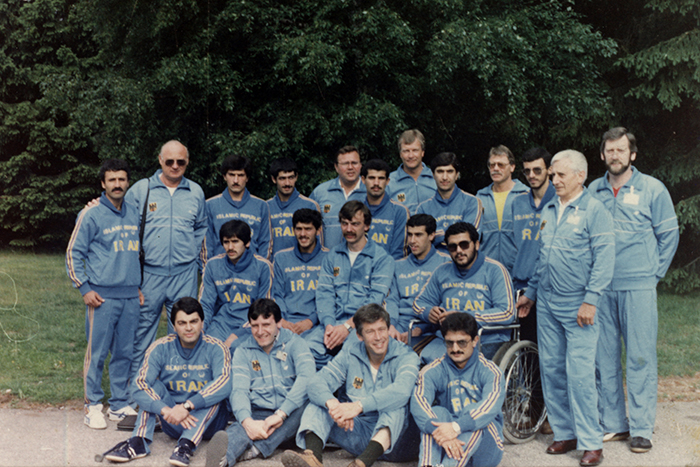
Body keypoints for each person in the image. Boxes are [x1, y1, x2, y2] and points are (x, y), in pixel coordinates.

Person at [516, 150, 614, 467]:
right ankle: (565, 432)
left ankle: (590, 442)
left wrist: (591, 299)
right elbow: (542, 259)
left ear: (580, 177)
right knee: (553, 369)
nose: (553, 180)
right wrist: (530, 293)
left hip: (579, 304)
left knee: (581, 374)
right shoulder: (549, 210)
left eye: (560, 175)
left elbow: (604, 258)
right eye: (553, 174)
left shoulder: (594, 210)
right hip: (547, 302)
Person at [589, 127, 679, 454]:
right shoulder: (592, 190)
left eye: (621, 150)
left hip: (638, 285)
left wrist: (652, 273)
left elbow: (669, 235)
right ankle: (614, 423)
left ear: (633, 154)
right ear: (602, 155)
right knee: (604, 358)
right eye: (609, 151)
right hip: (601, 288)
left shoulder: (652, 188)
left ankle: (641, 428)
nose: (615, 156)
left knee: (640, 356)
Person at [281, 304, 420, 467]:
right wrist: (334, 405)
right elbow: (316, 382)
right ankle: (313, 458)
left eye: (382, 329)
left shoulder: (406, 355)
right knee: (319, 401)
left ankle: (362, 464)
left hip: (398, 443)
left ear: (389, 329)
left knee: (395, 404)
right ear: (360, 335)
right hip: (359, 434)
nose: (378, 337)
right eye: (370, 331)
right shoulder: (351, 352)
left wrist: (357, 407)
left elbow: (402, 391)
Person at [103, 297, 231, 466]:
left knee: (214, 393)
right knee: (151, 387)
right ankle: (139, 441)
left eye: (194, 321)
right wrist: (165, 410)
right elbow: (138, 385)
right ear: (174, 326)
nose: (189, 328)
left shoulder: (216, 347)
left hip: (210, 424)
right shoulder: (160, 347)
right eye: (182, 323)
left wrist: (187, 406)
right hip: (172, 419)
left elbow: (225, 382)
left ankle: (186, 446)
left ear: (202, 322)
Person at [66, 159, 142, 428]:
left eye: (122, 179)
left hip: (130, 296)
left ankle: (120, 404)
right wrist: (84, 288)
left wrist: (137, 287)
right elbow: (74, 252)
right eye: (112, 180)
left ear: (127, 182)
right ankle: (92, 405)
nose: (117, 184)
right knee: (96, 353)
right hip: (102, 297)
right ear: (103, 184)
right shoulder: (91, 213)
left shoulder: (134, 211)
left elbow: (134, 253)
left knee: (124, 352)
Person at [124, 140, 207, 383]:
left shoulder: (196, 192)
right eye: (169, 161)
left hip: (184, 274)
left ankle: (177, 387)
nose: (174, 166)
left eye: (180, 162)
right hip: (149, 274)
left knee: (185, 333)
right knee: (142, 334)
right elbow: (123, 221)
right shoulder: (142, 189)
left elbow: (201, 227)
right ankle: (137, 388)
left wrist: (191, 254)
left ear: (187, 162)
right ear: (160, 160)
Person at [205, 299, 316, 467]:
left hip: (289, 416)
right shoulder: (243, 350)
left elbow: (307, 379)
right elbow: (239, 390)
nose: (260, 331)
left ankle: (256, 448)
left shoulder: (296, 343)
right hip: (259, 413)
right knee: (238, 429)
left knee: (307, 402)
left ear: (279, 323)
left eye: (266, 324)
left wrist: (280, 414)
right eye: (255, 325)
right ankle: (222, 461)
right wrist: (247, 422)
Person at [411, 313, 505, 467]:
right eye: (450, 343)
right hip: (446, 444)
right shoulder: (434, 369)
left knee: (472, 413)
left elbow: (489, 407)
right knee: (436, 413)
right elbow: (418, 401)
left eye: (462, 343)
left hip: (484, 448)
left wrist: (457, 427)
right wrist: (441, 432)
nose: (455, 349)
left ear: (475, 341)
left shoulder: (491, 372)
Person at [413, 222, 515, 364]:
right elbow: (419, 303)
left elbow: (507, 313)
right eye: (453, 247)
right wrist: (428, 312)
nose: (459, 250)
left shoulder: (495, 270)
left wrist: (465, 318)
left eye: (464, 244)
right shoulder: (442, 271)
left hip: (485, 341)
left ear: (476, 245)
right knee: (411, 358)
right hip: (447, 342)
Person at [313, 201, 395, 359]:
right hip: (333, 323)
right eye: (344, 223)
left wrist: (347, 326)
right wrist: (329, 325)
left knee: (350, 356)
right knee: (307, 349)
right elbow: (324, 294)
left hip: (363, 325)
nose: (349, 229)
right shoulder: (332, 256)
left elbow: (374, 301)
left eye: (355, 224)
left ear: (367, 226)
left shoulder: (382, 258)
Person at [199, 220, 273, 352]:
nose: (230, 247)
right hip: (220, 324)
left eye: (235, 241)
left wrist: (237, 335)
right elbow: (206, 304)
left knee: (236, 350)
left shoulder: (263, 266)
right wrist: (201, 329)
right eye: (226, 242)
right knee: (207, 350)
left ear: (247, 242)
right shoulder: (212, 265)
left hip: (250, 325)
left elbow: (264, 309)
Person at [271, 208, 329, 364]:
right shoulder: (281, 257)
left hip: (316, 324)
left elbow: (331, 298)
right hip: (286, 322)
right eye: (299, 229)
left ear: (318, 230)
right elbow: (277, 293)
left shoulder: (329, 258)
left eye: (308, 229)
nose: (303, 234)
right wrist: (282, 320)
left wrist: (310, 321)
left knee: (307, 353)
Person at [511, 147, 556, 344]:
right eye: (527, 171)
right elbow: (517, 245)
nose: (532, 175)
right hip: (522, 284)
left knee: (551, 347)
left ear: (549, 170)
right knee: (528, 346)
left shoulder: (558, 200)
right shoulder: (518, 202)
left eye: (537, 170)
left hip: (550, 285)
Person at [385, 214, 450, 345]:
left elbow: (445, 305)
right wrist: (390, 326)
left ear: (431, 235)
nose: (412, 241)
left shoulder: (446, 263)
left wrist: (419, 329)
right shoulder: (397, 265)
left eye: (418, 235)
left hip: (430, 328)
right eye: (410, 234)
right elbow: (391, 300)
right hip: (399, 326)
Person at [205, 155, 272, 260]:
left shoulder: (261, 206)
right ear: (224, 176)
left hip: (252, 273)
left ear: (247, 178)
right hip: (220, 272)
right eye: (232, 175)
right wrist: (207, 270)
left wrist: (261, 270)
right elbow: (206, 245)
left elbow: (266, 244)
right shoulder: (210, 205)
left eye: (241, 175)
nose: (236, 180)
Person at [476, 145, 529, 274]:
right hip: (486, 270)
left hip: (518, 272)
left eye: (501, 165)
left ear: (512, 167)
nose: (495, 169)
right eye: (492, 165)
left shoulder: (526, 195)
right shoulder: (480, 197)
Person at [416, 152, 482, 252]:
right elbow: (419, 241)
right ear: (433, 175)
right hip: (433, 264)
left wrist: (435, 235)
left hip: (462, 263)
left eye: (450, 171)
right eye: (440, 172)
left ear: (457, 175)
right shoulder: (423, 208)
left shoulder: (472, 202)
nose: (445, 177)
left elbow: (469, 239)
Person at [309, 146, 366, 248]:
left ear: (360, 165)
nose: (350, 167)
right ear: (336, 167)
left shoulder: (370, 194)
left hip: (362, 261)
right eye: (345, 163)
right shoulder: (321, 193)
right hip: (328, 260)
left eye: (354, 163)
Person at [267, 158, 322, 257]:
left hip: (301, 267)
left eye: (291, 177)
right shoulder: (266, 207)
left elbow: (319, 243)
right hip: (273, 267)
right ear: (274, 179)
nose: (287, 183)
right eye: (282, 178)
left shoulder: (310, 205)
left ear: (296, 177)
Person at [361, 158, 410, 259]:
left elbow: (399, 253)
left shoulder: (400, 211)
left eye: (381, 178)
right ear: (363, 180)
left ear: (387, 181)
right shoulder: (355, 210)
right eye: (371, 178)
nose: (376, 183)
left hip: (389, 271)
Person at [387, 129, 437, 213]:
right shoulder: (389, 182)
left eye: (415, 150)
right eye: (406, 151)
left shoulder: (436, 179)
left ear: (422, 152)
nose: (410, 155)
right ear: (400, 154)